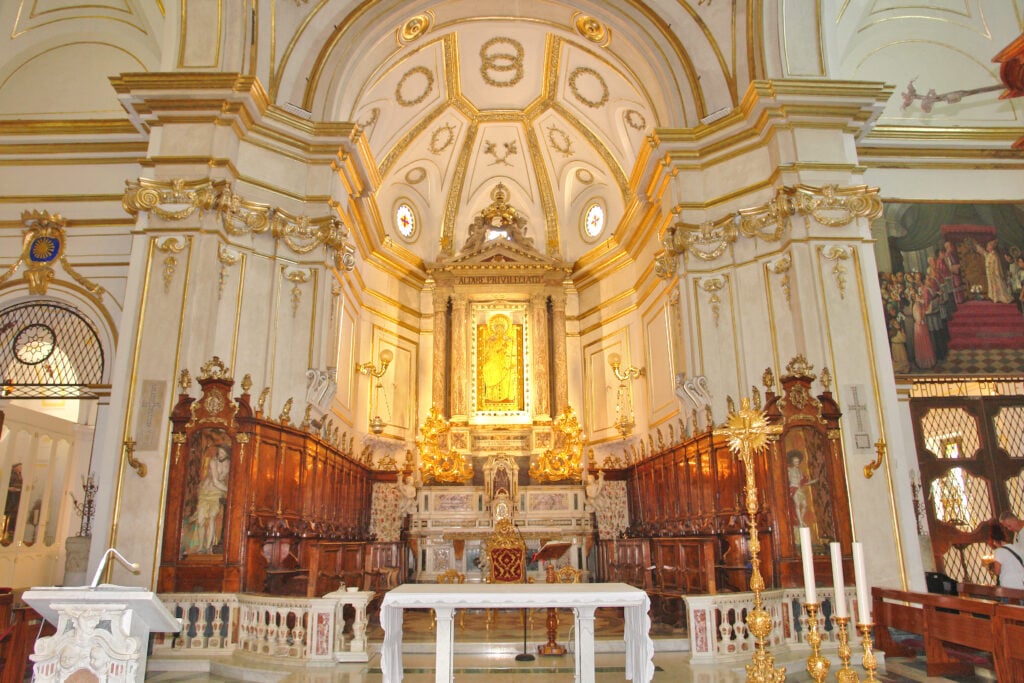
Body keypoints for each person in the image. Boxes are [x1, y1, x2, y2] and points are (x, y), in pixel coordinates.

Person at [192, 445, 230, 554]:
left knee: (212, 518)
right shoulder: (213, 462)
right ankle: (200, 546)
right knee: (200, 520)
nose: (220, 454)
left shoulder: (230, 463)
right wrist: (230, 491)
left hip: (217, 494)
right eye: (219, 451)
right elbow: (215, 481)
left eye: (223, 452)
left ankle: (209, 547)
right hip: (206, 492)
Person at [988, 521, 1024, 589]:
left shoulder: (999, 551)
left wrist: (992, 566)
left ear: (994, 541)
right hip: (1022, 584)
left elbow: (997, 571)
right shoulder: (1015, 547)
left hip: (1009, 586)